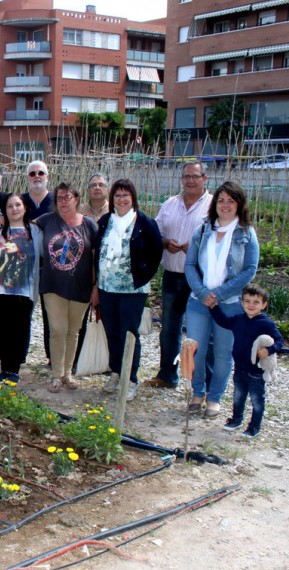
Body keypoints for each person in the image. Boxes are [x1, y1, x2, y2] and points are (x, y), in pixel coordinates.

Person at [185, 181, 259, 419]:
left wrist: (220, 294)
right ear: (214, 204)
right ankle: (198, 393)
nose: (225, 205)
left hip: (229, 305)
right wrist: (203, 292)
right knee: (196, 349)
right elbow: (190, 265)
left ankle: (214, 398)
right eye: (221, 200)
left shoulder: (246, 233)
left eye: (231, 201)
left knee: (223, 354)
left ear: (239, 205)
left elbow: (250, 269)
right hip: (199, 301)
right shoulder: (203, 230)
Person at [145, 161, 212, 389]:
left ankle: (200, 382)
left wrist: (195, 246)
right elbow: (156, 232)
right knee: (169, 328)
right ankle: (167, 375)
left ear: (205, 178)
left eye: (195, 176)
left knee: (199, 332)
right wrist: (166, 243)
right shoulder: (170, 204)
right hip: (173, 275)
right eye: (186, 177)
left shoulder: (212, 206)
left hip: (200, 278)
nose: (190, 180)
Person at [94, 179, 163, 401]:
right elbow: (97, 251)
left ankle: (130, 379)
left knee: (129, 333)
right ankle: (116, 373)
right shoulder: (106, 221)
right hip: (107, 288)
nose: (121, 199)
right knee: (112, 332)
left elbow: (156, 253)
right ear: (111, 198)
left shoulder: (145, 223)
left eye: (126, 195)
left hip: (132, 290)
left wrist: (142, 275)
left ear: (133, 198)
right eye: (117, 195)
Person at [36, 183, 98, 393]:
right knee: (57, 330)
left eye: (67, 197)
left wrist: (96, 286)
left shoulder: (89, 225)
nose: (63, 201)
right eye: (59, 198)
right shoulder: (46, 221)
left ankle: (68, 373)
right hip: (53, 285)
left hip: (81, 287)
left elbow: (96, 258)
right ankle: (56, 375)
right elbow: (22, 229)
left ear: (77, 199)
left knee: (73, 331)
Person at [0, 193, 43, 384]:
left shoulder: (36, 232)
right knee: (3, 332)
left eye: (18, 205)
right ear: (5, 210)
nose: (14, 209)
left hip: (24, 292)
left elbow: (43, 256)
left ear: (25, 208)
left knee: (20, 331)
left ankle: (14, 370)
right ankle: (5, 369)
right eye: (10, 206)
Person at [209, 283, 283, 438]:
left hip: (256, 371)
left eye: (256, 302)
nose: (251, 305)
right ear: (241, 303)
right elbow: (223, 321)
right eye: (247, 301)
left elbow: (279, 341)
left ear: (264, 305)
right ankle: (236, 419)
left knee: (257, 400)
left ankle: (254, 427)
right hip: (240, 368)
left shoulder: (266, 323)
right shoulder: (238, 319)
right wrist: (213, 307)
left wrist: (268, 350)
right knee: (238, 396)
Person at [72, 172, 111, 372]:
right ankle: (78, 358)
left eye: (101, 185)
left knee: (106, 317)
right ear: (88, 190)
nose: (97, 188)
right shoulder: (79, 212)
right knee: (80, 317)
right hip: (83, 270)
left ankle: (106, 360)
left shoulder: (115, 211)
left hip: (108, 270)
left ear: (107, 189)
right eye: (93, 185)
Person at [21, 160, 55, 363]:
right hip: (25, 264)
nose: (37, 176)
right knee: (23, 312)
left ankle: (53, 356)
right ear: (27, 178)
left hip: (51, 265)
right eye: (32, 173)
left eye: (41, 172)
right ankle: (21, 353)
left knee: (51, 313)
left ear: (47, 176)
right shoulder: (20, 201)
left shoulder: (56, 201)